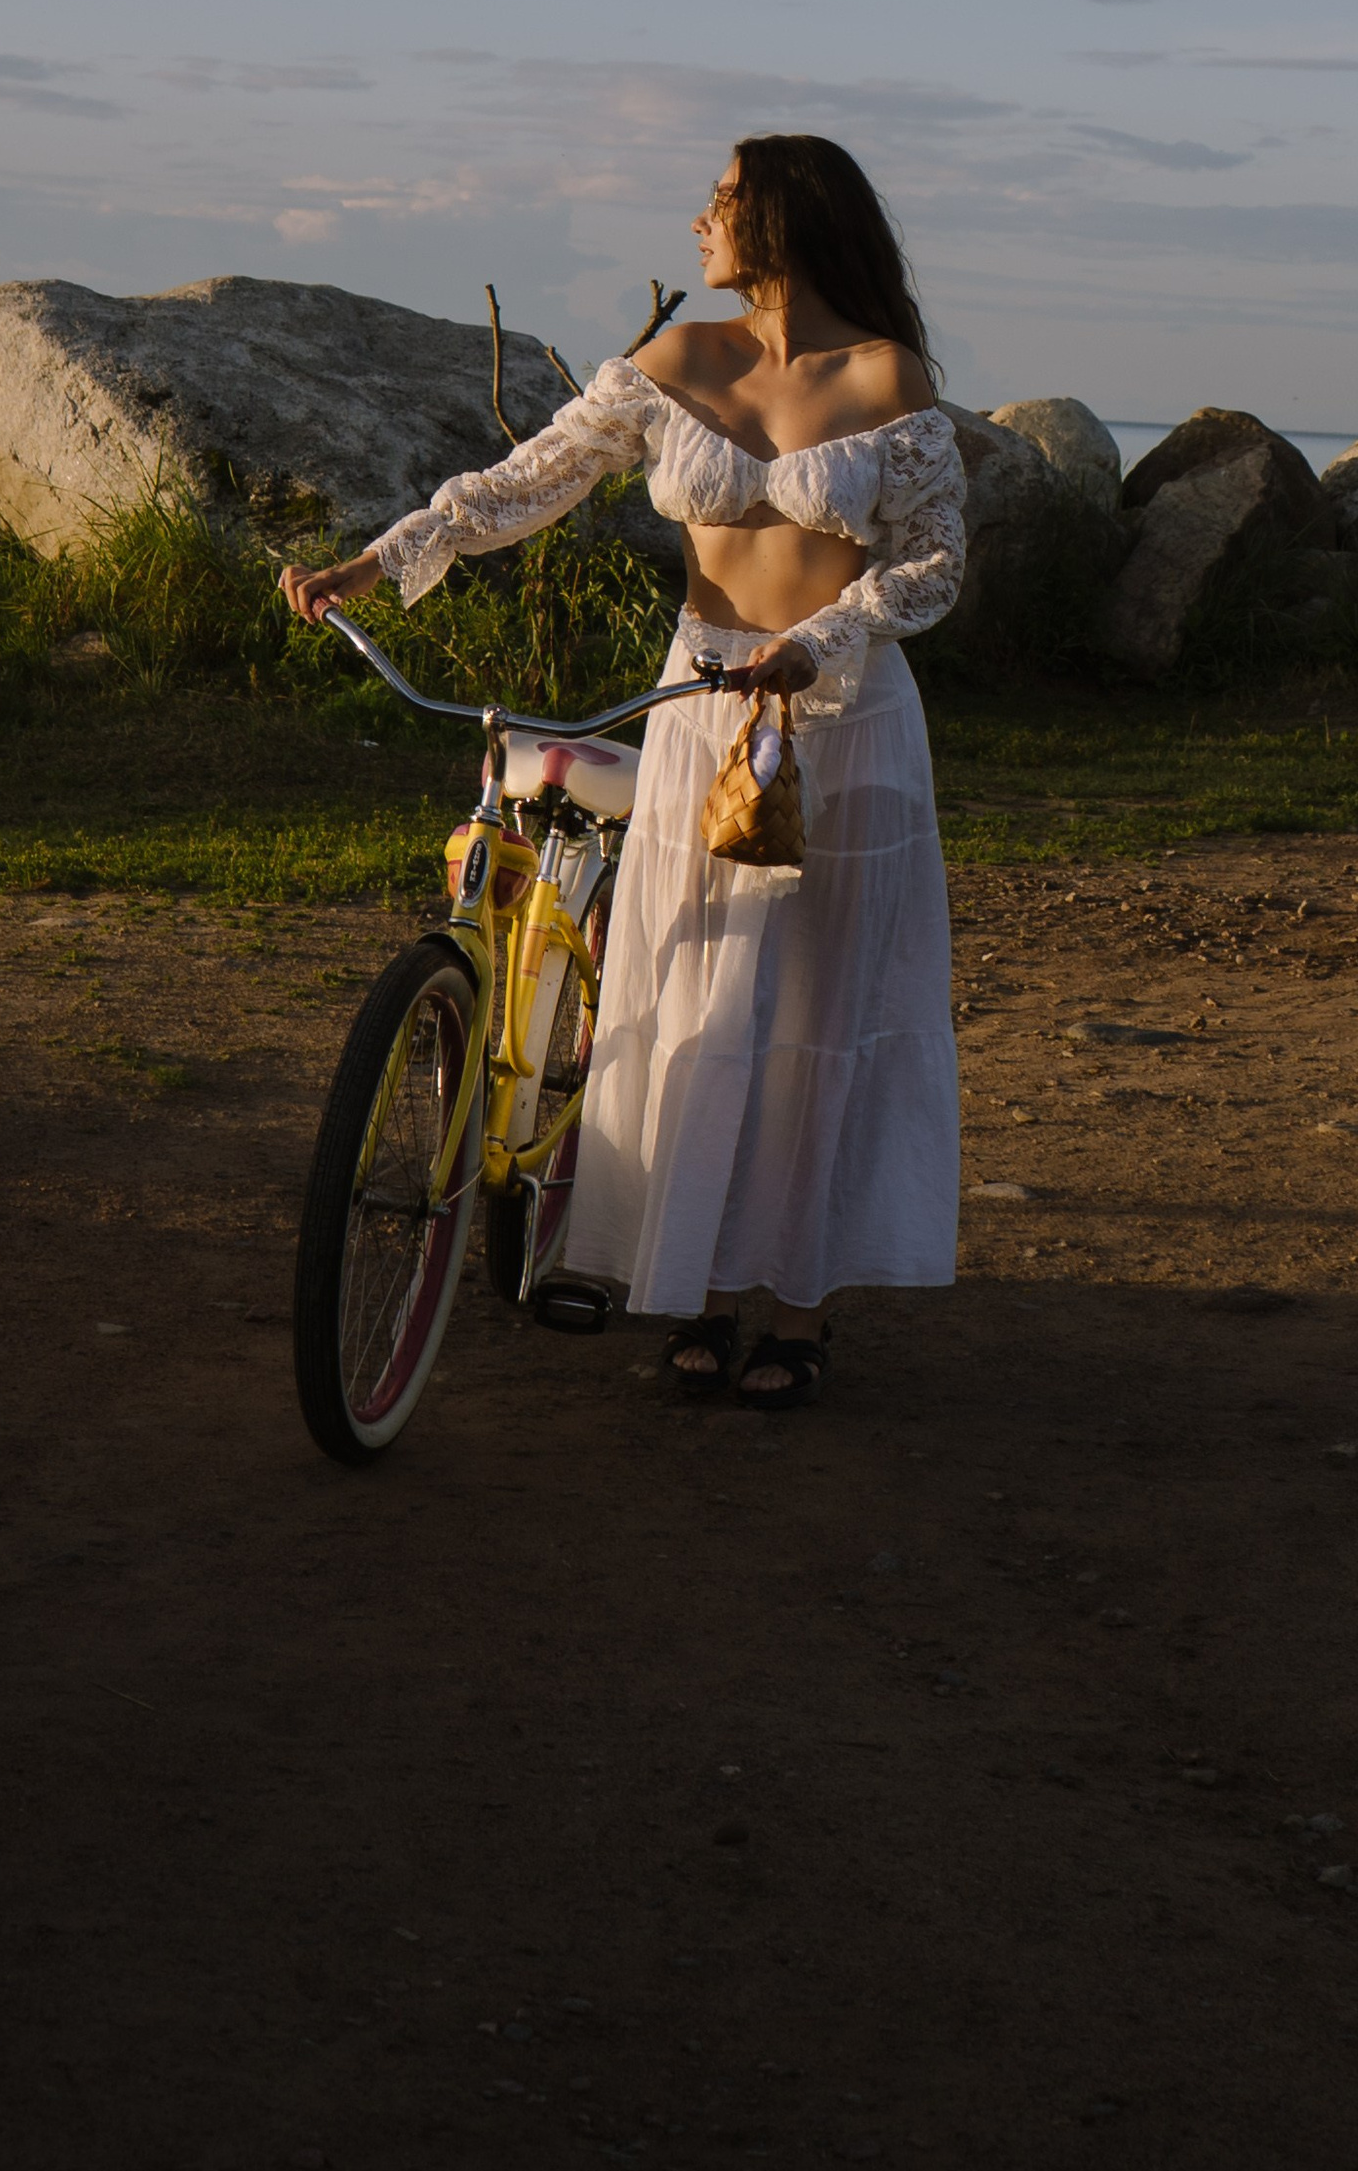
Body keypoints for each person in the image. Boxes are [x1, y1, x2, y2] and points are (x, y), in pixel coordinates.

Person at [278, 135, 968, 1409]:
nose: (699, 219)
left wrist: (816, 646)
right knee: (701, 1010)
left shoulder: (885, 374)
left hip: (845, 722)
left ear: (788, 219)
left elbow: (929, 564)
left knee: (815, 1017)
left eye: (722, 199)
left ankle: (799, 1312)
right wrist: (369, 568)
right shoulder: (676, 363)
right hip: (700, 709)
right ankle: (698, 1291)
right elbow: (517, 485)